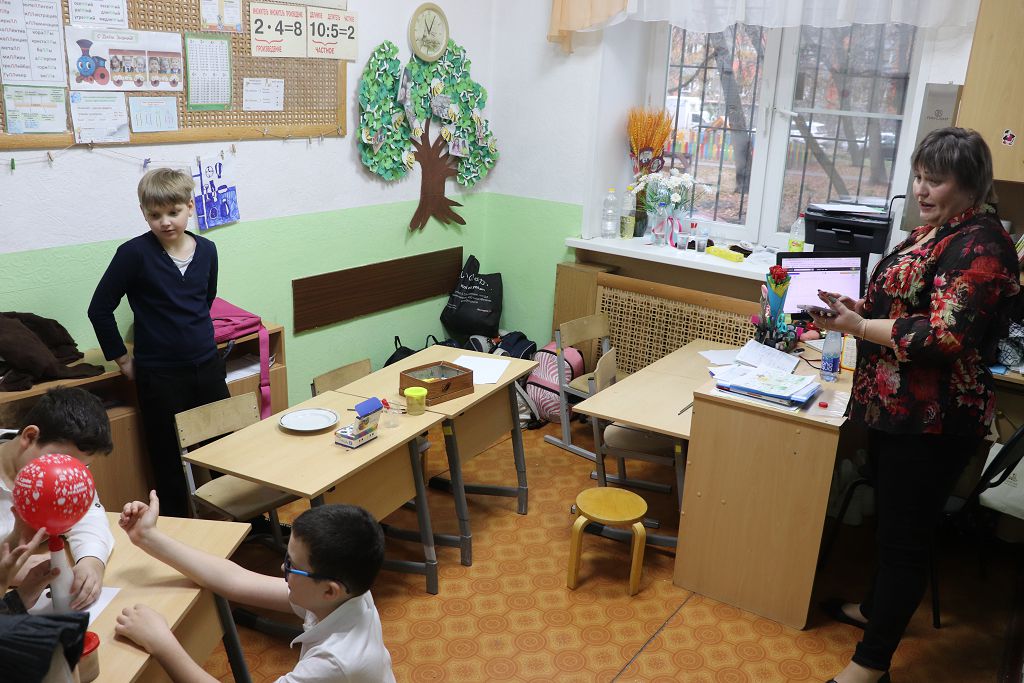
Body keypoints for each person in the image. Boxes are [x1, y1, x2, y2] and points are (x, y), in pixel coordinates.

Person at [809, 127, 1021, 683]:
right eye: (919, 177)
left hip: (934, 422)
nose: (922, 190)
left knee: (905, 541)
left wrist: (860, 327)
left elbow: (944, 337)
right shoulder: (936, 231)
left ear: (970, 184)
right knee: (891, 528)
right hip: (894, 410)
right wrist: (857, 310)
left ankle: (870, 666)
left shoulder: (983, 246)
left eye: (936, 180)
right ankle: (875, 610)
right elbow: (905, 304)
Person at [115, 492, 395, 683]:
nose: (282, 567)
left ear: (330, 590)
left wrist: (161, 642)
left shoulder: (335, 662)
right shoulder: (348, 593)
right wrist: (147, 537)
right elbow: (236, 581)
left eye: (292, 564)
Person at [88, 168, 229, 518]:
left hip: (207, 365)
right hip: (160, 375)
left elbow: (205, 299)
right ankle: (178, 526)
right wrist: (123, 359)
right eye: (155, 215)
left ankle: (244, 522)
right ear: (143, 213)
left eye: (173, 212)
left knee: (225, 446)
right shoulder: (133, 254)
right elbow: (99, 309)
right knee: (168, 458)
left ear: (190, 206)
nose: (165, 222)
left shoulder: (207, 250)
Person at [0, 387, 115, 609]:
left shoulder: (65, 472)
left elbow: (88, 514)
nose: (64, 477)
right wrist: (7, 569)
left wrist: (92, 561)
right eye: (59, 462)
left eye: (80, 467)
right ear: (30, 437)